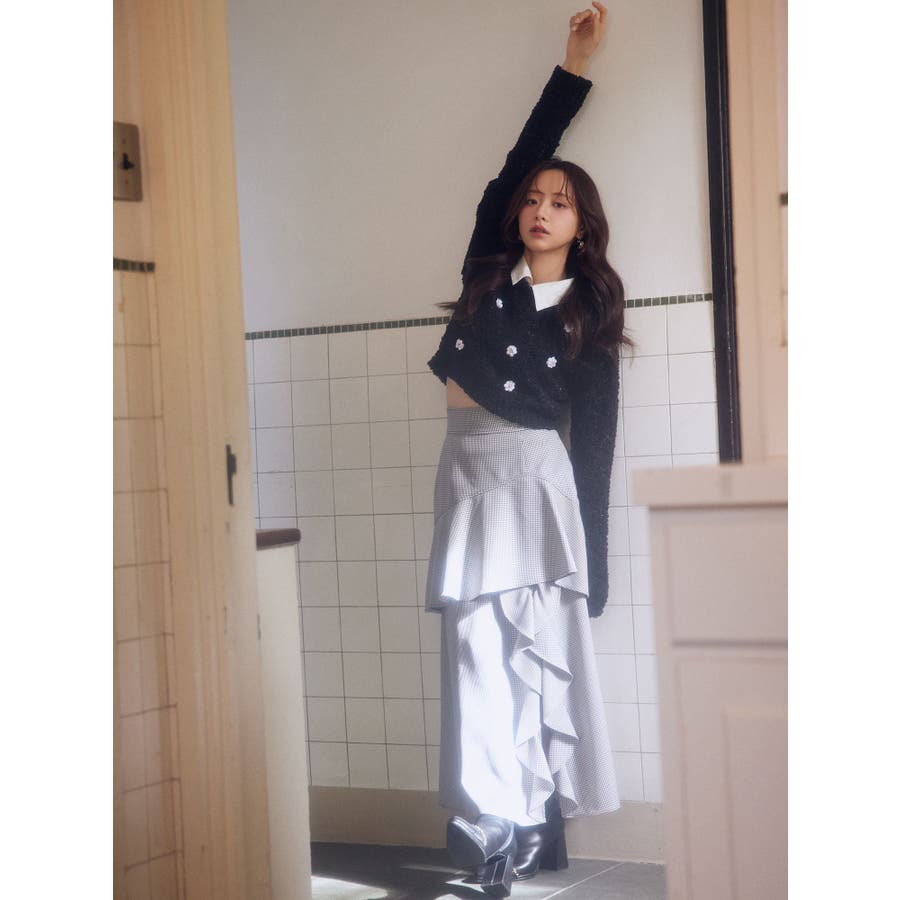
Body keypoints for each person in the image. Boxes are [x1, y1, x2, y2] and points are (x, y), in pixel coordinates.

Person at [424, 4, 632, 897]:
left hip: (537, 484)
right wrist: (571, 65)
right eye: (535, 200)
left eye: (561, 203)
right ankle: (496, 820)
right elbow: (518, 161)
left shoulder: (589, 310)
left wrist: (595, 560)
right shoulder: (486, 269)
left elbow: (597, 444)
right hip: (467, 474)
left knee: (535, 660)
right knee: (477, 655)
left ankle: (517, 825)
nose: (542, 209)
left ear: (582, 225)